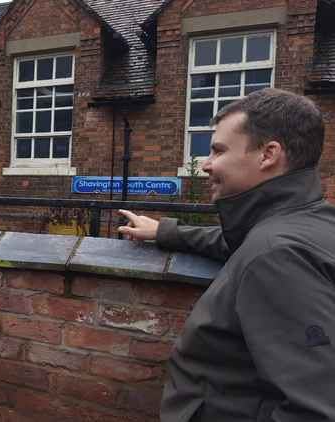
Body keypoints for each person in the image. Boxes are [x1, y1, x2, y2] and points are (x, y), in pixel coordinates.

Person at [118, 88, 335, 421]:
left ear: (268, 154)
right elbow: (240, 242)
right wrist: (165, 232)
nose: (206, 164)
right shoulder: (305, 222)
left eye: (218, 151)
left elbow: (313, 410)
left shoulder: (277, 256)